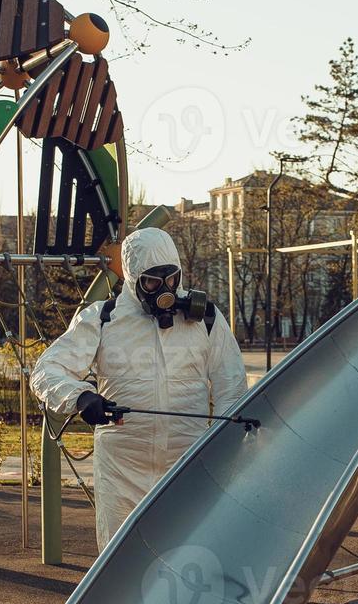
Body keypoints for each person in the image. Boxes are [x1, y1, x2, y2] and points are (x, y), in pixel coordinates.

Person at [30, 227, 248, 549]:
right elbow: (46, 370)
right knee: (120, 557)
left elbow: (232, 386)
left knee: (190, 552)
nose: (164, 289)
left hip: (187, 461)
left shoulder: (205, 320)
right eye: (151, 281)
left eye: (171, 279)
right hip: (122, 466)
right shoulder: (103, 319)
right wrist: (80, 397)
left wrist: (229, 443)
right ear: (132, 279)